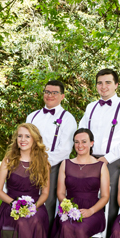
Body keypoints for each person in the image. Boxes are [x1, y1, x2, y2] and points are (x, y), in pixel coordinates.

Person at [0, 123, 66, 238]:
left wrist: (34, 206)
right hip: (11, 206)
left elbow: (45, 193)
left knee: (36, 220)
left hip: (35, 205)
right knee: (23, 222)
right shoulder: (9, 160)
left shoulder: (43, 163)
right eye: (20, 136)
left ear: (34, 139)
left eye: (27, 136)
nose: (23, 140)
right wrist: (15, 204)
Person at [78, 68, 120, 235]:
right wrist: (86, 155)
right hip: (89, 160)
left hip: (115, 161)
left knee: (111, 204)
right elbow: (82, 131)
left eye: (108, 82)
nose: (103, 86)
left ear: (116, 85)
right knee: (89, 201)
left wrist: (106, 158)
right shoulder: (91, 107)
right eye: (99, 83)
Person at [49, 128, 110, 238]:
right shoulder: (66, 164)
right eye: (76, 142)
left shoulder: (100, 166)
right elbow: (60, 193)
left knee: (81, 228)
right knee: (67, 227)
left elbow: (105, 196)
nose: (80, 145)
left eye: (84, 141)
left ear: (91, 143)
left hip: (93, 211)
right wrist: (68, 206)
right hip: (70, 208)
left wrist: (90, 211)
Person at [26, 80, 78, 223]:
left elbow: (65, 149)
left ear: (62, 96)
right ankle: (31, 235)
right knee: (29, 199)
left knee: (48, 204)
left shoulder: (68, 118)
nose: (50, 95)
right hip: (30, 165)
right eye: (47, 92)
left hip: (53, 167)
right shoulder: (32, 116)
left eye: (54, 92)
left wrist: (43, 163)